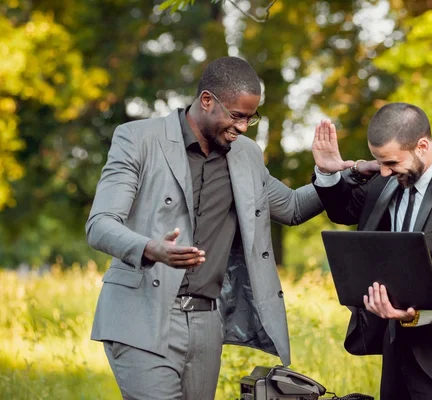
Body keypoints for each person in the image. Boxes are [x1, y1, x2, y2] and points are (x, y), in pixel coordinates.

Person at [86, 56, 323, 400]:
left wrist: (339, 177)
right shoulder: (138, 138)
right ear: (207, 100)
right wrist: (152, 249)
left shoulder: (246, 155)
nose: (243, 127)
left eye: (250, 117)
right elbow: (100, 225)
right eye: (237, 115)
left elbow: (292, 207)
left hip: (206, 321)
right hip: (142, 315)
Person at [311, 103, 432, 400]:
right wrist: (327, 173)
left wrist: (410, 315)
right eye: (380, 162)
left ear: (422, 146)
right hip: (397, 354)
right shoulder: (391, 176)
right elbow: (344, 210)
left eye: (390, 162)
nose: (384, 172)